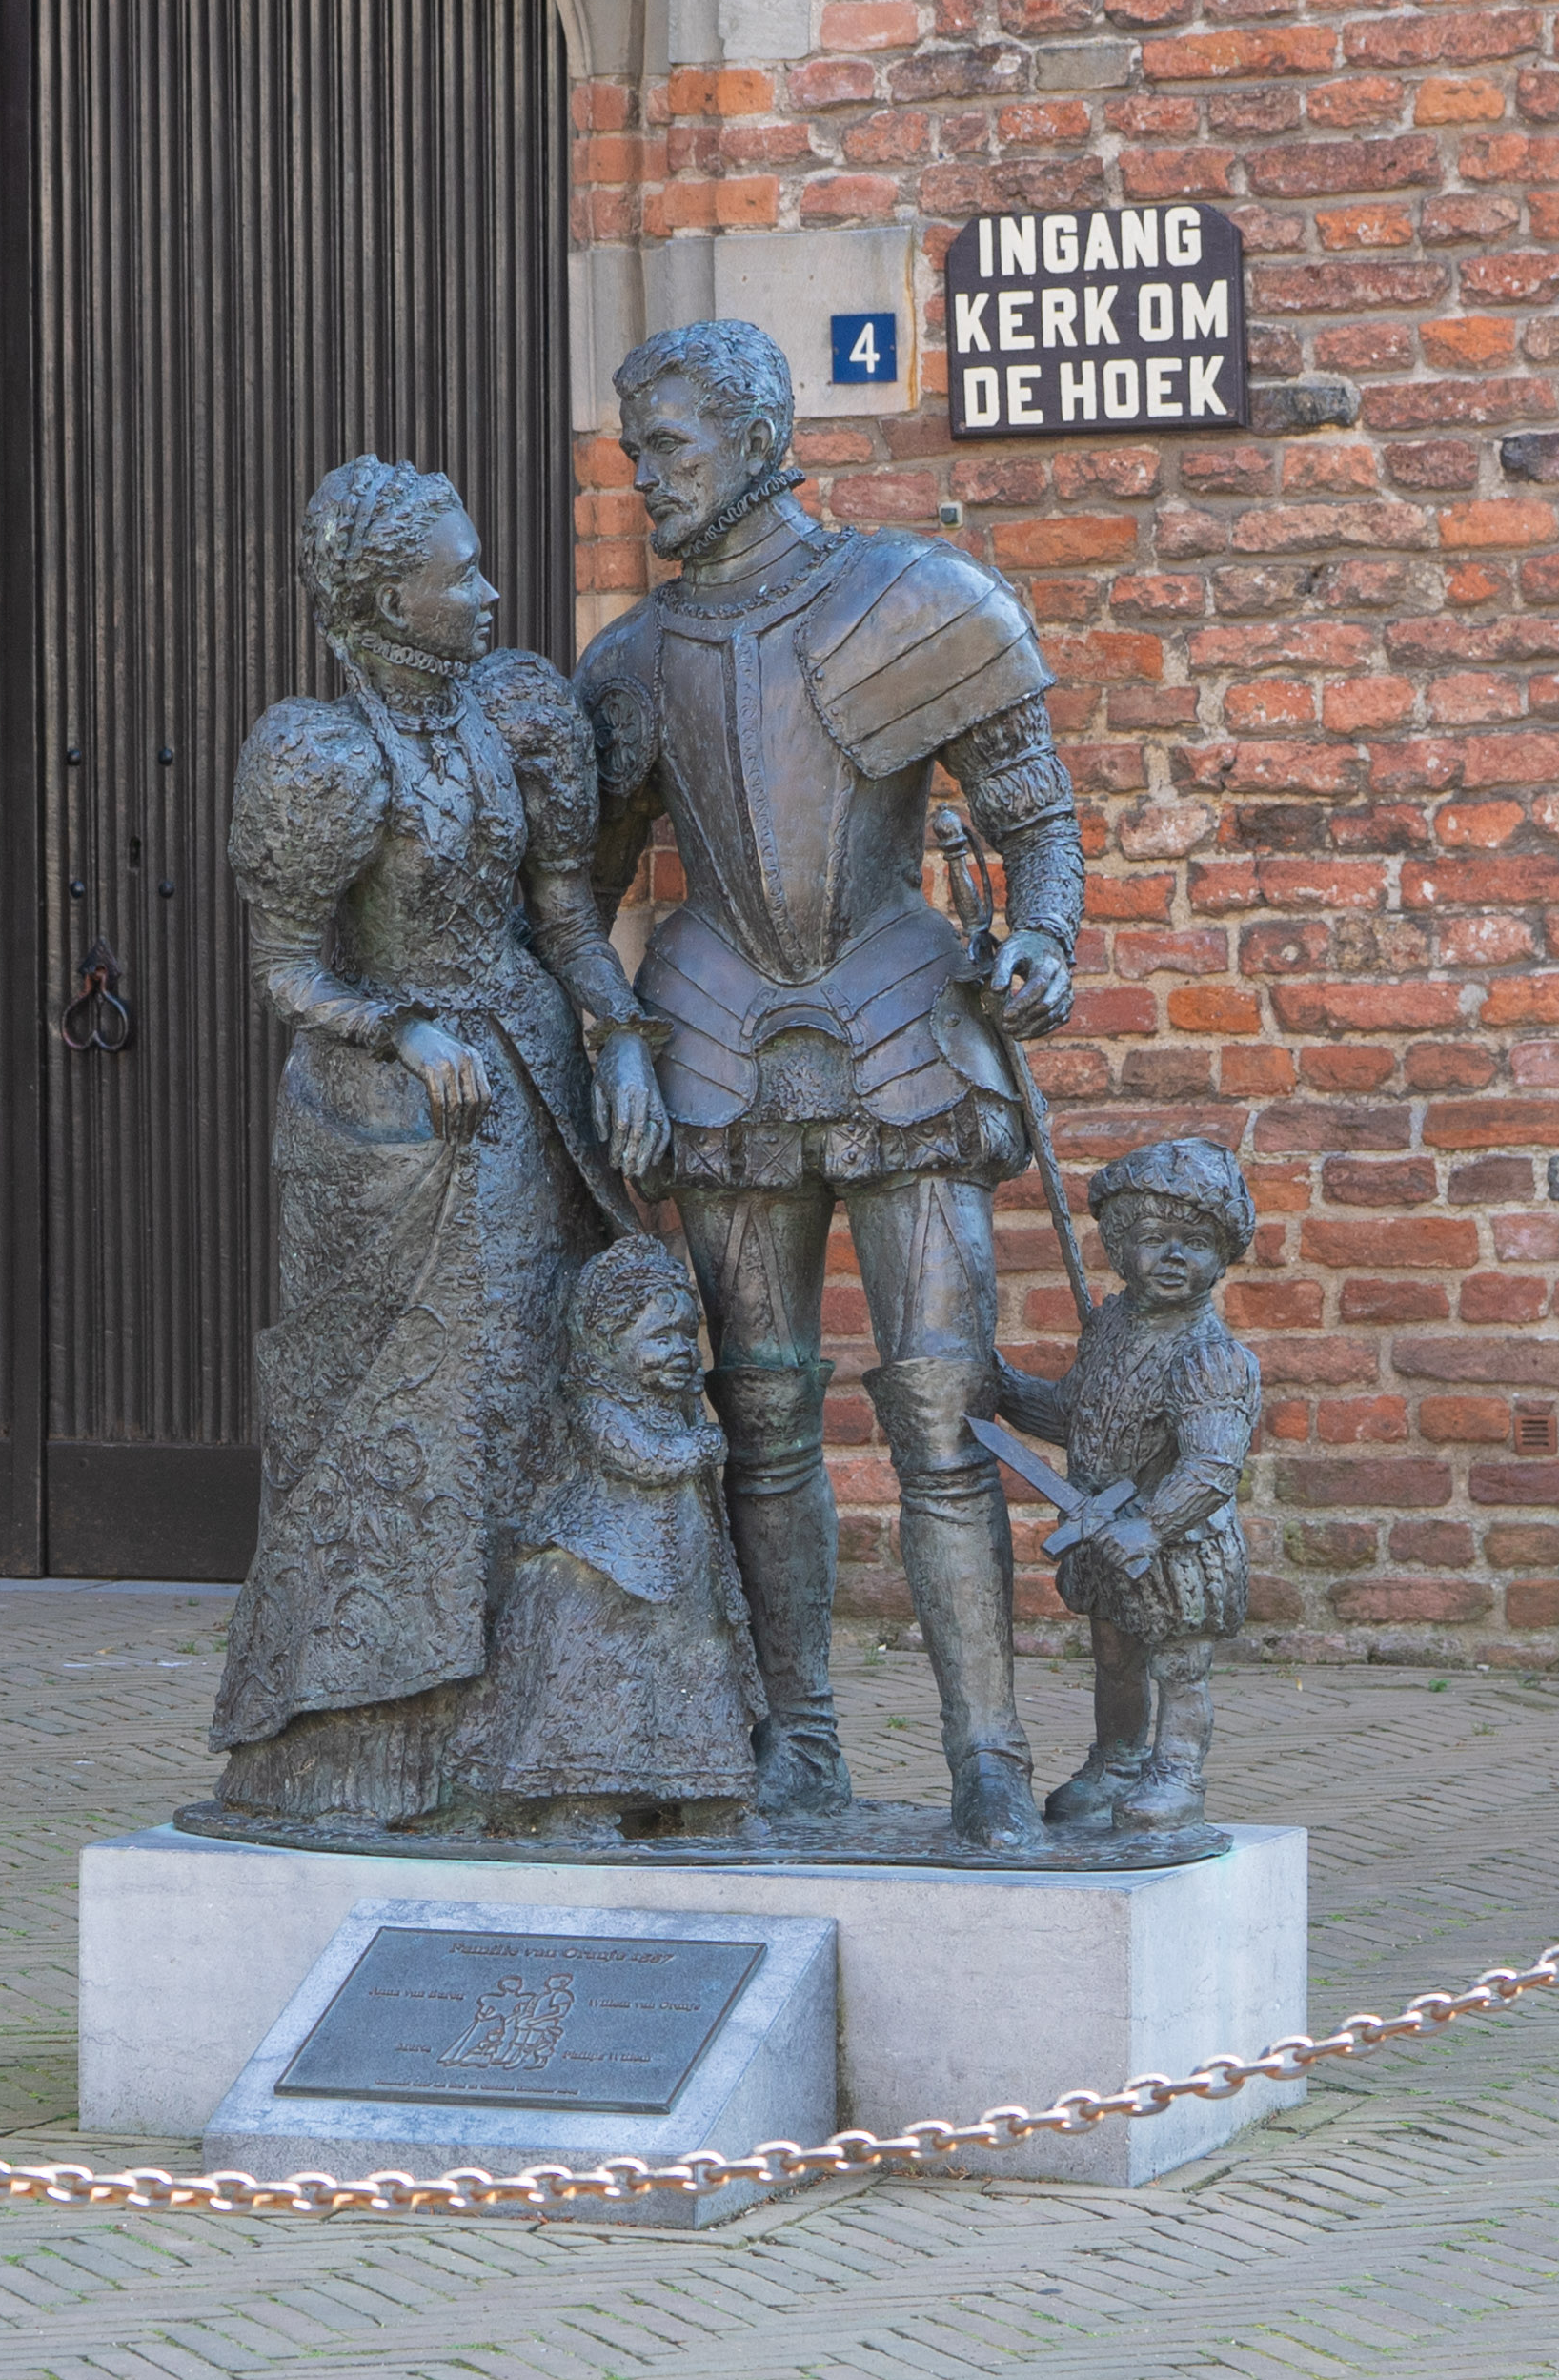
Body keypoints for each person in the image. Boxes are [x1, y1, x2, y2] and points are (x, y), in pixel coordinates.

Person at [578, 319, 1085, 1850]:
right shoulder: (631, 661)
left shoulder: (911, 597)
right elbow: (577, 890)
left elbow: (1032, 813)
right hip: (715, 1026)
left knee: (943, 1400)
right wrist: (610, 1032)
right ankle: (793, 1740)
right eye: (634, 450)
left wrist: (1042, 938)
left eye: (667, 446)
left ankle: (986, 1753)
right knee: (760, 1408)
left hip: (898, 1010)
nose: (643, 476)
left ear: (755, 439)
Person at [209, 457, 651, 1822]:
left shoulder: (516, 709)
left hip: (526, 1088)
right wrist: (400, 1029)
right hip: (385, 1124)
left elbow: (564, 914)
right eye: (460, 574)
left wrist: (621, 1034)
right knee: (401, 1413)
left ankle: (538, 1728)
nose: (491, 591)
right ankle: (373, 1741)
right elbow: (285, 969)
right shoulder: (320, 754)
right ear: (385, 598)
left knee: (525, 1390)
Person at [992, 1139, 1263, 1835]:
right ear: (1117, 1246)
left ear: (1222, 1256)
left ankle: (1176, 1773)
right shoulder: (1110, 1329)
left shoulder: (1211, 1358)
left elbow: (1210, 1466)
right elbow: (1072, 1415)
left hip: (1175, 1543)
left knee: (1179, 1662)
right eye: (1152, 1238)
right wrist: (1004, 1388)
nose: (1173, 1256)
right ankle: (1117, 1760)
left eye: (1195, 1243)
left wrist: (1152, 1525)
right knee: (1114, 1655)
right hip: (1103, 1533)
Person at [458, 1238, 767, 1835]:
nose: (682, 1351)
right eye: (660, 1337)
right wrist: (701, 1447)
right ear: (606, 1342)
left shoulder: (676, 1404)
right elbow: (640, 1458)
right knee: (601, 1676)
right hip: (609, 1564)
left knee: (695, 1669)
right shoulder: (600, 1405)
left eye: (687, 1336)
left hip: (682, 1575)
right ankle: (581, 1799)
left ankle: (708, 1795)